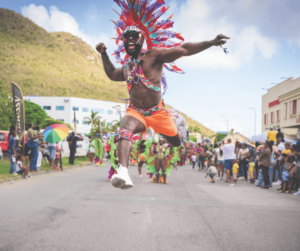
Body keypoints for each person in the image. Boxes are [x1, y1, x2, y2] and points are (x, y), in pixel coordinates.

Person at [96, 0, 230, 189]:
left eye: (135, 37)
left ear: (141, 40)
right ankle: (123, 173)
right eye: (127, 38)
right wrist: (103, 54)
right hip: (136, 113)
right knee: (124, 129)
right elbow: (111, 74)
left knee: (175, 142)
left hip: (158, 113)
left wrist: (212, 42)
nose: (131, 40)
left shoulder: (154, 55)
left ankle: (174, 125)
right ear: (123, 42)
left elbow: (185, 49)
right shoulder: (126, 67)